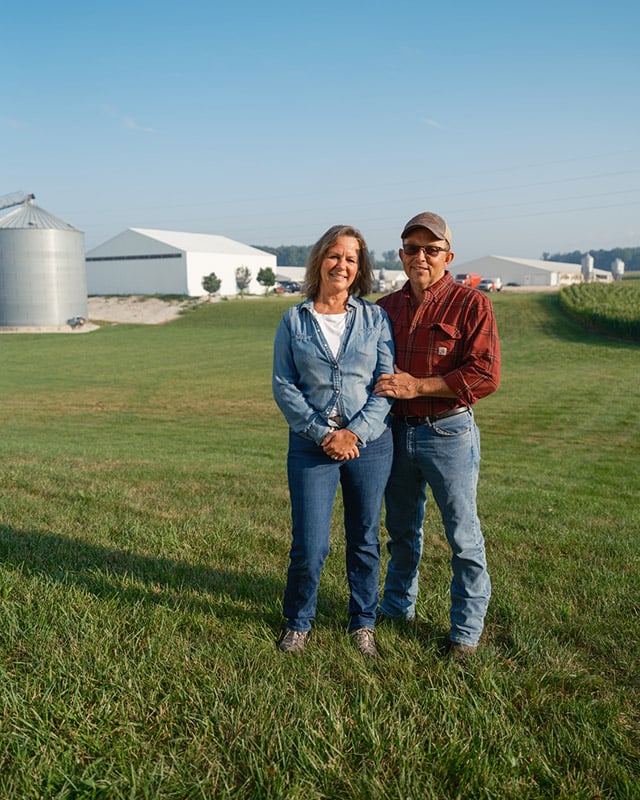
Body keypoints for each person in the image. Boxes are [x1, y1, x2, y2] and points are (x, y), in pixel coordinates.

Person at [374, 212, 500, 660]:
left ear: (448, 254)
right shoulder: (385, 308)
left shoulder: (472, 304)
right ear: (401, 254)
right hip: (394, 432)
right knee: (402, 531)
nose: (421, 257)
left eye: (431, 249)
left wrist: (419, 385)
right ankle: (395, 609)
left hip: (447, 431)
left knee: (463, 535)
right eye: (412, 248)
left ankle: (465, 634)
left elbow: (484, 374)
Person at [272, 225, 394, 657]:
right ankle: (298, 622)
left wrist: (354, 433)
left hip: (370, 444)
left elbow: (385, 384)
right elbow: (285, 386)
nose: (342, 264)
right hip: (311, 444)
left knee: (364, 538)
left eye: (352, 258)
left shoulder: (374, 318)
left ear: (360, 269)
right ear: (319, 260)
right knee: (311, 543)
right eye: (335, 255)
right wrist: (327, 434)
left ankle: (363, 623)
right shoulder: (294, 319)